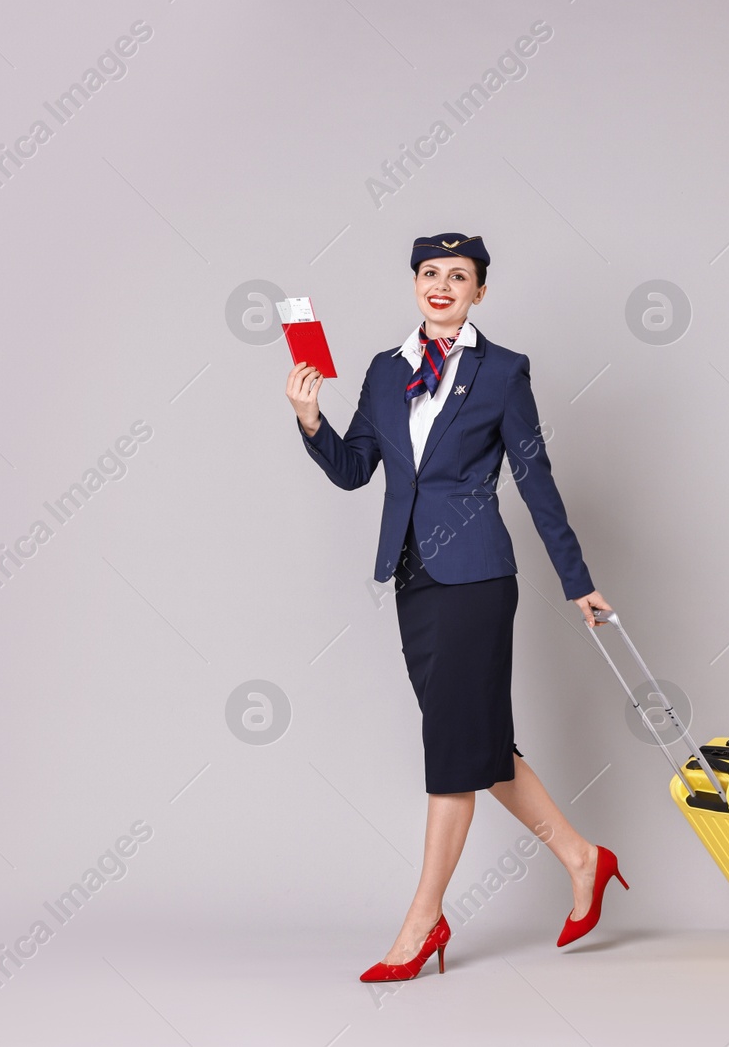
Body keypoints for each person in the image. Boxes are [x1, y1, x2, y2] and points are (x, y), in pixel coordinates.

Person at [285, 232, 627, 983]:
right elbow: (354, 470)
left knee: (450, 752)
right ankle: (583, 858)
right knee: (474, 740)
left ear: (480, 291)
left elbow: (536, 480)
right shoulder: (384, 371)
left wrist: (577, 579)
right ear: (415, 283)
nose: (443, 285)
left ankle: (422, 919)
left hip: (475, 579)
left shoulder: (503, 373)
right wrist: (311, 419)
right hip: (414, 579)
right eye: (430, 273)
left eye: (459, 275)